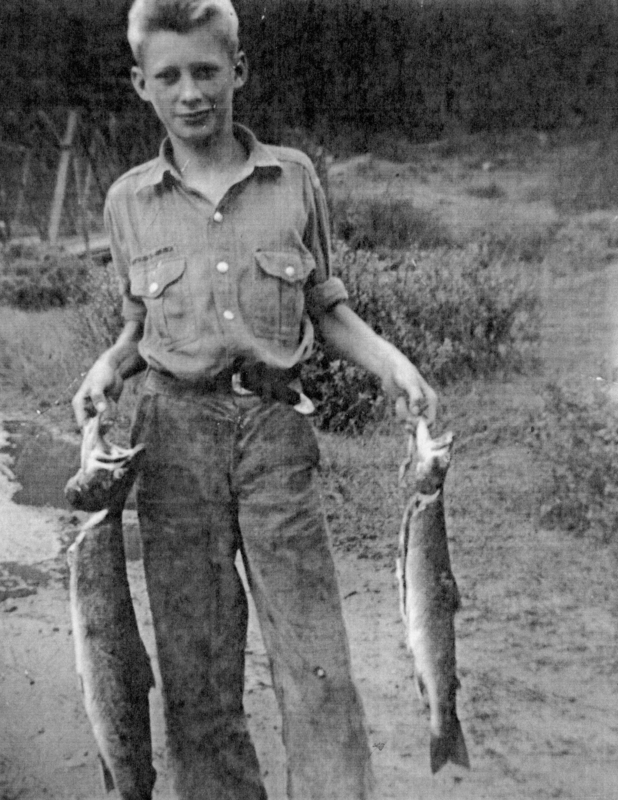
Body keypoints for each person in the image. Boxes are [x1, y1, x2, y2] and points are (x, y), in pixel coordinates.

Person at [72, 1, 437, 798]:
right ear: (141, 84)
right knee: (195, 670)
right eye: (168, 75)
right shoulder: (128, 200)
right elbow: (139, 328)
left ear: (237, 69)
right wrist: (106, 368)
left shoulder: (294, 178)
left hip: (276, 436)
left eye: (206, 70)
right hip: (171, 440)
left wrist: (392, 364)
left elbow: (326, 308)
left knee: (315, 659)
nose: (191, 91)